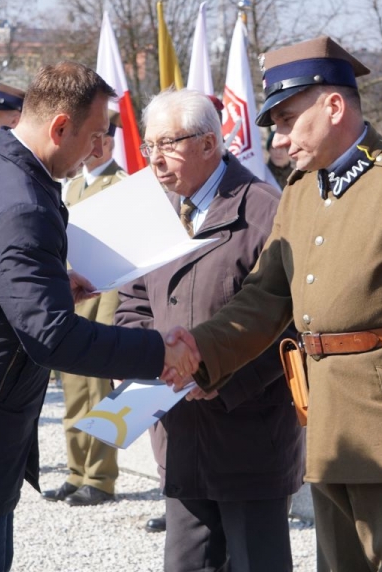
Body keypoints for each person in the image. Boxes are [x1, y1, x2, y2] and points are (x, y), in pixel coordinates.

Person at [163, 36, 382, 571]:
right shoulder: (301, 192)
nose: (279, 139)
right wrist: (197, 351)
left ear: (334, 105)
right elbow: (265, 297)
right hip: (331, 430)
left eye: (288, 120)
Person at [0, 61, 190, 572]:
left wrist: (50, 287)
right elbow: (54, 338)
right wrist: (160, 352)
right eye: (94, 135)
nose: (98, 149)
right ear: (60, 126)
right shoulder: (23, 203)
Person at [116, 88, 304, 571]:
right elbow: (133, 304)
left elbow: (290, 323)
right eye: (149, 146)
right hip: (178, 433)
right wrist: (142, 359)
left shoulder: (266, 210)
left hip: (248, 438)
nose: (155, 159)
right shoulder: (154, 212)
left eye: (168, 144)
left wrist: (220, 378)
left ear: (208, 143)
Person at [42, 112, 127, 508]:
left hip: (105, 299)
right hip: (73, 298)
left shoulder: (122, 185)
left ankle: (101, 477)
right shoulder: (72, 185)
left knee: (101, 391)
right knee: (74, 391)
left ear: (111, 142)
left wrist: (114, 316)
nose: (96, 148)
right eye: (93, 140)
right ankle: (77, 473)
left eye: (103, 140)